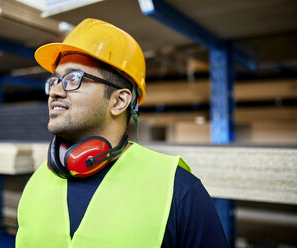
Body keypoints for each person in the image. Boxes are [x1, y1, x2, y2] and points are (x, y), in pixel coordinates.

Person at [16, 18, 228, 248]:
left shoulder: (178, 190)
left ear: (119, 101)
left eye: (72, 79)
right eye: (55, 80)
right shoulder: (36, 182)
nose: (55, 91)